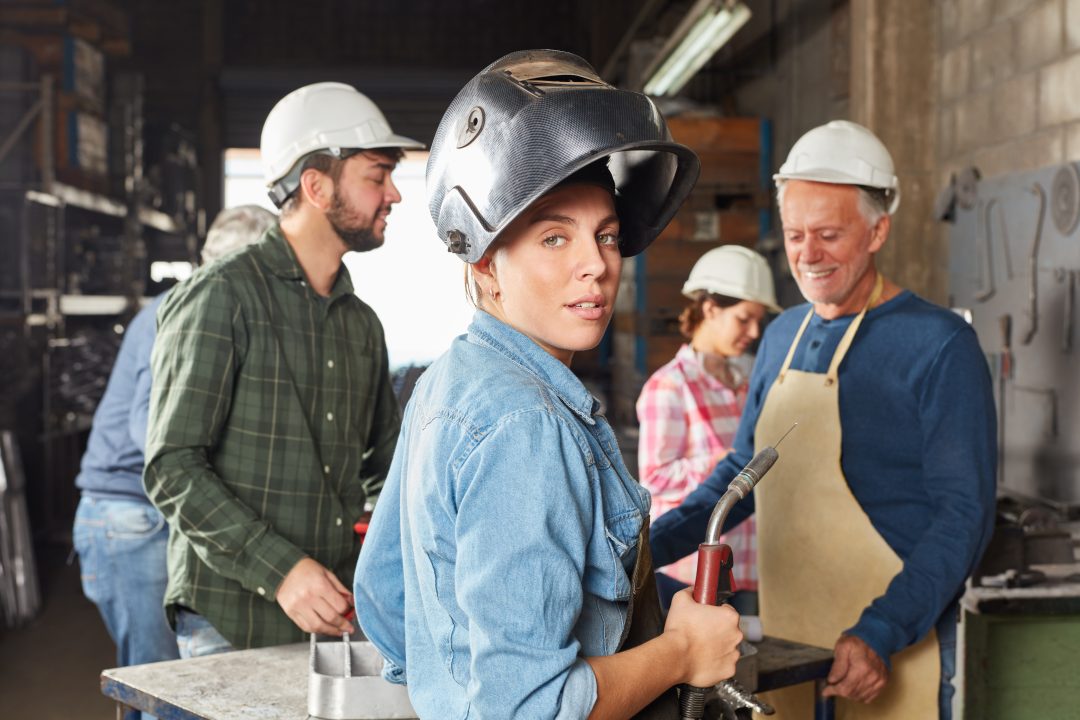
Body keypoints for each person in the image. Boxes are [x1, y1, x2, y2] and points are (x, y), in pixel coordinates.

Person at [354, 50, 743, 720]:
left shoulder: (447, 382)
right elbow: (529, 710)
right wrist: (682, 652)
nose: (595, 265)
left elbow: (385, 596)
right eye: (554, 239)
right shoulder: (526, 424)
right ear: (485, 266)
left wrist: (457, 687)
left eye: (608, 236)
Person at [649, 120, 996, 719]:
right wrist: (648, 551)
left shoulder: (940, 345)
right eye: (794, 235)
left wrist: (881, 630)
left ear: (878, 229)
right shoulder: (782, 334)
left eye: (829, 234)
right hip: (788, 633)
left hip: (892, 642)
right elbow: (742, 470)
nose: (807, 255)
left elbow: (964, 514)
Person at [144, 82, 422, 657]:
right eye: (377, 175)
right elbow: (172, 467)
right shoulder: (221, 297)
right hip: (229, 618)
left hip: (331, 620)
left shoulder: (361, 324)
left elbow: (387, 468)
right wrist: (282, 571)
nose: (394, 193)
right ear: (316, 186)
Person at [73, 204, 275, 717]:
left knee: (171, 687)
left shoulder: (214, 311)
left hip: (147, 515)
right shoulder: (182, 310)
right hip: (128, 517)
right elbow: (153, 432)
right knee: (160, 688)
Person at [636, 245, 780, 614]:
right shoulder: (669, 386)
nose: (753, 331)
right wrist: (726, 463)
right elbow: (657, 478)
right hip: (693, 574)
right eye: (744, 319)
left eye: (759, 322)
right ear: (710, 308)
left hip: (753, 566)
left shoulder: (750, 376)